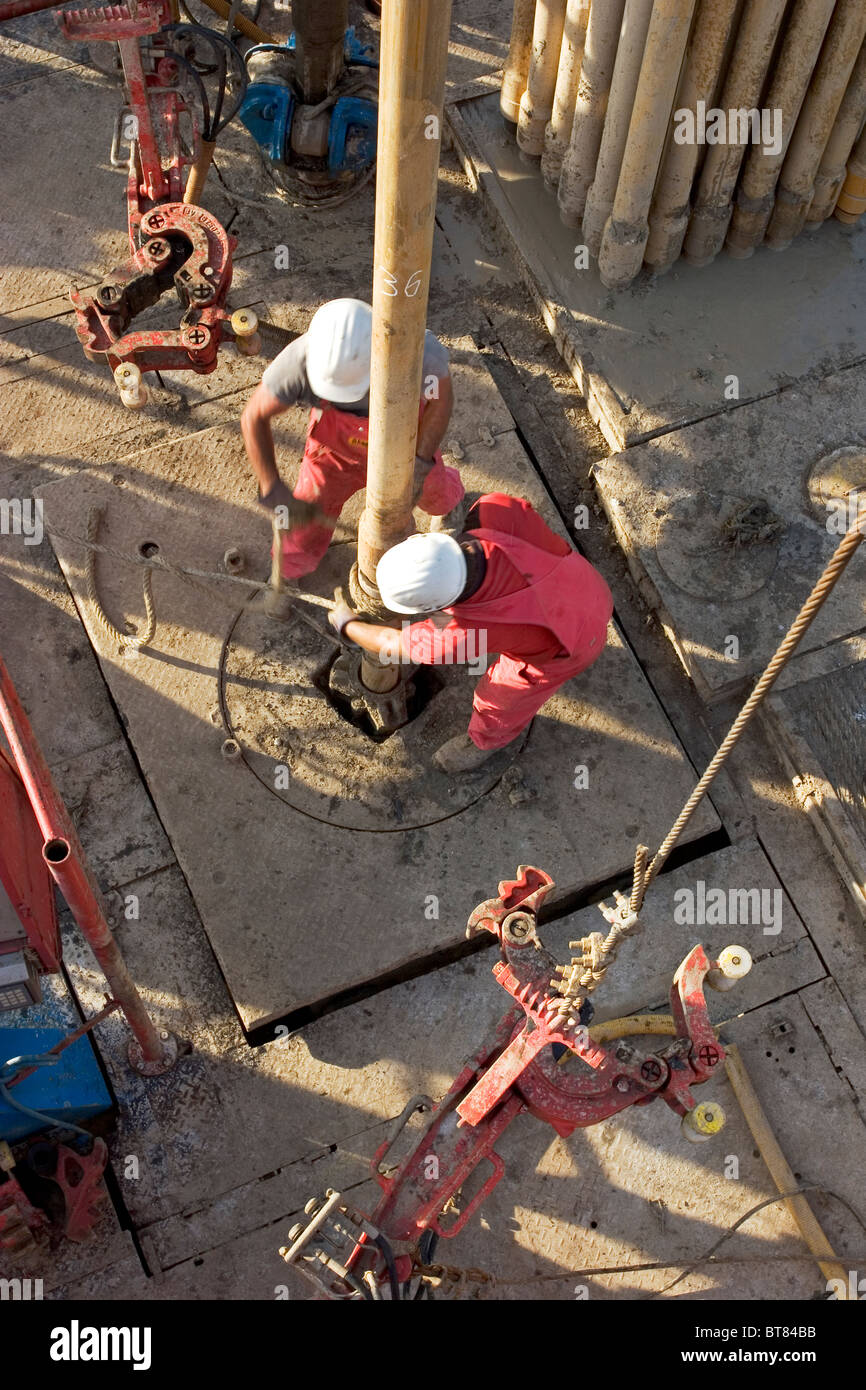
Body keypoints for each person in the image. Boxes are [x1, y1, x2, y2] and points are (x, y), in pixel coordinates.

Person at [329, 492, 613, 772]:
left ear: (435, 605)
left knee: (501, 700)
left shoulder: (458, 636)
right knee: (523, 627)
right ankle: (532, 634)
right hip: (587, 584)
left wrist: (348, 625)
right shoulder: (491, 509)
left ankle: (483, 742)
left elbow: (390, 641)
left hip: (575, 644)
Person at [241, 298, 464, 579]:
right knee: (306, 516)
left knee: (432, 487)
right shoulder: (297, 362)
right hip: (333, 453)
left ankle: (448, 508)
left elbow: (440, 401)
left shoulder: (419, 350)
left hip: (404, 442)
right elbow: (253, 416)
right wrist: (272, 487)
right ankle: (290, 567)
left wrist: (420, 462)